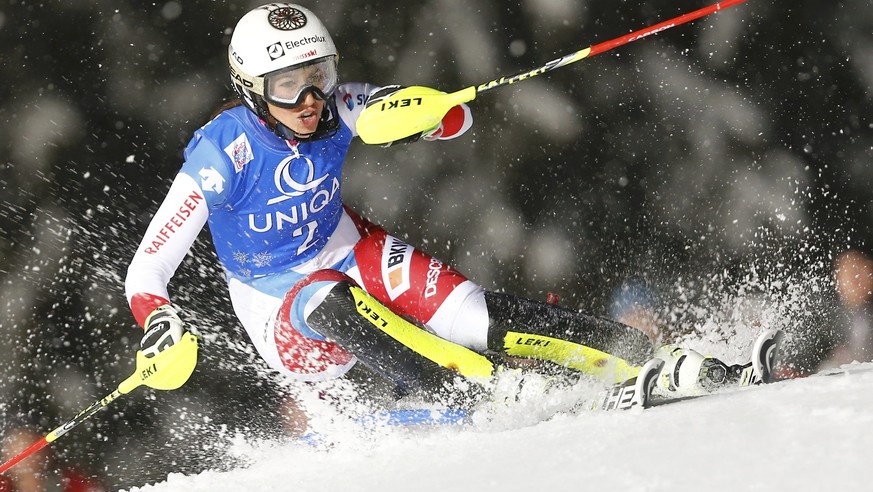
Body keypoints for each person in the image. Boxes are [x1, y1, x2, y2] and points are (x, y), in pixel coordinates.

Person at [125, 4, 771, 417]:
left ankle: (640, 355)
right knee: (325, 296)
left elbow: (456, 119)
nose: (311, 99)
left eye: (317, 74)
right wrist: (159, 324)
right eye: (288, 87)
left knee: (471, 313)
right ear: (251, 92)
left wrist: (417, 114)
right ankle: (481, 391)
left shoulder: (339, 104)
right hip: (280, 307)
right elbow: (146, 272)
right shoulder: (223, 151)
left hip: (349, 249)